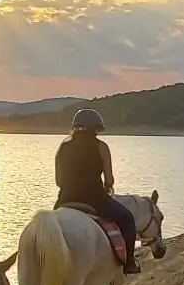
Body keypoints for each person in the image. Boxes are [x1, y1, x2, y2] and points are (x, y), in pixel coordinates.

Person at [54, 108, 141, 274]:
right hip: (95, 199)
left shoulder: (63, 147)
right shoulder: (101, 147)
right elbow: (109, 180)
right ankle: (129, 262)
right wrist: (107, 186)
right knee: (128, 219)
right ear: (96, 128)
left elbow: (59, 181)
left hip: (65, 199)